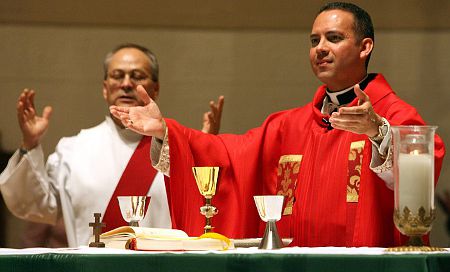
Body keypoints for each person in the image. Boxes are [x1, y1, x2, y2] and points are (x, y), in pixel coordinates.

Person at [110, 3, 445, 247]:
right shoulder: (287, 126)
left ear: (365, 47)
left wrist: (378, 132)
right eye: (314, 41)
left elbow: (422, 168)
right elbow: (226, 156)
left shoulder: (395, 116)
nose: (321, 49)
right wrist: (166, 132)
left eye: (333, 38)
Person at [0, 43, 224, 248]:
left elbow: (205, 213)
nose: (126, 83)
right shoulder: (73, 150)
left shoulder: (176, 148)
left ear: (155, 89)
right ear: (105, 88)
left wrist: (202, 150)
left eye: (137, 76)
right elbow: (36, 207)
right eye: (118, 76)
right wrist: (29, 143)